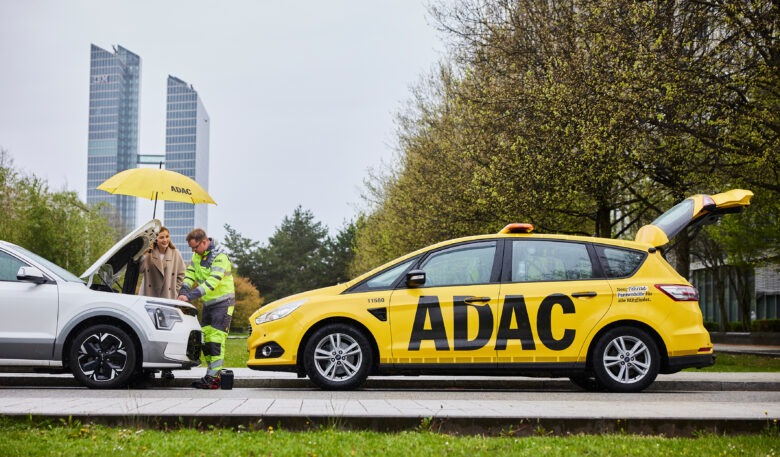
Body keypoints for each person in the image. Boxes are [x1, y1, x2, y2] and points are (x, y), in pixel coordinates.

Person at [178, 228, 235, 389]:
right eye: (191, 248)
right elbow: (190, 273)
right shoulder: (198, 255)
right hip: (209, 304)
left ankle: (213, 377)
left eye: (195, 247)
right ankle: (211, 375)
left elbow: (212, 282)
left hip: (223, 303)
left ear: (204, 242)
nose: (193, 251)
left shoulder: (220, 257)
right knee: (205, 340)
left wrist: (189, 296)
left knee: (216, 340)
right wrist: (183, 291)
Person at [139, 226, 186, 381]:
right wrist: (144, 253)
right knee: (150, 333)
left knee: (168, 334)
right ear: (155, 239)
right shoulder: (148, 254)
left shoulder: (175, 253)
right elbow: (139, 269)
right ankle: (150, 368)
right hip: (150, 297)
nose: (165, 240)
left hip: (168, 298)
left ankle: (167, 368)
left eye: (166, 236)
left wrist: (175, 291)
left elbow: (181, 274)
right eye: (161, 237)